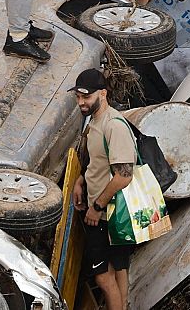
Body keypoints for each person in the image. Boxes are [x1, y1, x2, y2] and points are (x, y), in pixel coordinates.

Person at [72, 68, 136, 310]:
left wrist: (96, 207)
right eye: (78, 97)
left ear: (103, 93)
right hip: (104, 210)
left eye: (86, 97)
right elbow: (96, 161)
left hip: (109, 213)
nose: (81, 102)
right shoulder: (94, 122)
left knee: (102, 275)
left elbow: (123, 176)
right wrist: (80, 180)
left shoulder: (114, 125)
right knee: (118, 269)